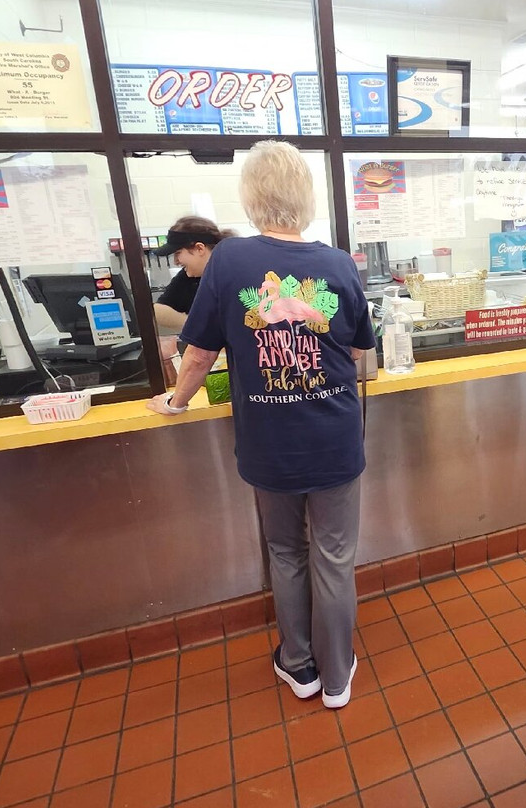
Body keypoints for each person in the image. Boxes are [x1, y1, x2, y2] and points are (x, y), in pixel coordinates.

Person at [148, 141, 376, 709]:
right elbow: (356, 352)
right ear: (306, 196)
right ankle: (338, 677)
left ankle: (299, 667)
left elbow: (199, 354)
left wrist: (175, 401)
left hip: (269, 443)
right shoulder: (339, 263)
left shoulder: (229, 259)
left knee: (286, 552)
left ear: (251, 198)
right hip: (334, 438)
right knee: (334, 556)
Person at [153, 216, 235, 330]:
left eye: (178, 253)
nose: (176, 262)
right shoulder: (187, 277)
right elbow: (157, 310)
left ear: (200, 248)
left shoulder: (235, 273)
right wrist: (196, 326)